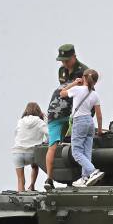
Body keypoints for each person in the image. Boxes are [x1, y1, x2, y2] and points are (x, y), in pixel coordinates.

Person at [45, 44, 88, 190]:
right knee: (53, 145)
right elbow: (62, 92)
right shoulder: (62, 71)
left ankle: (80, 177)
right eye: (62, 61)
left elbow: (87, 94)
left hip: (73, 113)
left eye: (67, 60)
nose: (64, 63)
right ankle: (49, 179)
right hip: (58, 112)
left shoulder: (83, 71)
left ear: (74, 57)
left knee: (77, 143)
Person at [60, 69, 104, 187]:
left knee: (76, 152)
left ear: (84, 78)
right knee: (86, 152)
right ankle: (85, 178)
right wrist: (100, 130)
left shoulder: (77, 89)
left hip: (79, 121)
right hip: (90, 122)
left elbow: (62, 93)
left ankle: (93, 171)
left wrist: (74, 82)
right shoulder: (95, 94)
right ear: (95, 82)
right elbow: (99, 115)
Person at [12, 102, 47, 191]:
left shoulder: (20, 121)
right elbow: (49, 133)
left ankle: (21, 196)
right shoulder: (39, 121)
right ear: (38, 111)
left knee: (20, 179)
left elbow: (16, 134)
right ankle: (32, 185)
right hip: (32, 154)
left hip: (17, 152)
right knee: (35, 166)